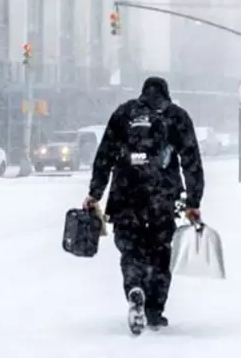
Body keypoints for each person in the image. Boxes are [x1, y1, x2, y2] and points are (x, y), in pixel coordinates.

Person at [83, 76, 204, 336]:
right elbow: (191, 160)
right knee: (160, 253)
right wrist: (193, 201)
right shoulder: (176, 116)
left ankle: (134, 287)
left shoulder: (124, 114)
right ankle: (154, 311)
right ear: (166, 94)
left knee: (131, 251)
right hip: (161, 199)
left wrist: (94, 193)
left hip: (125, 197)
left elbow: (104, 155)